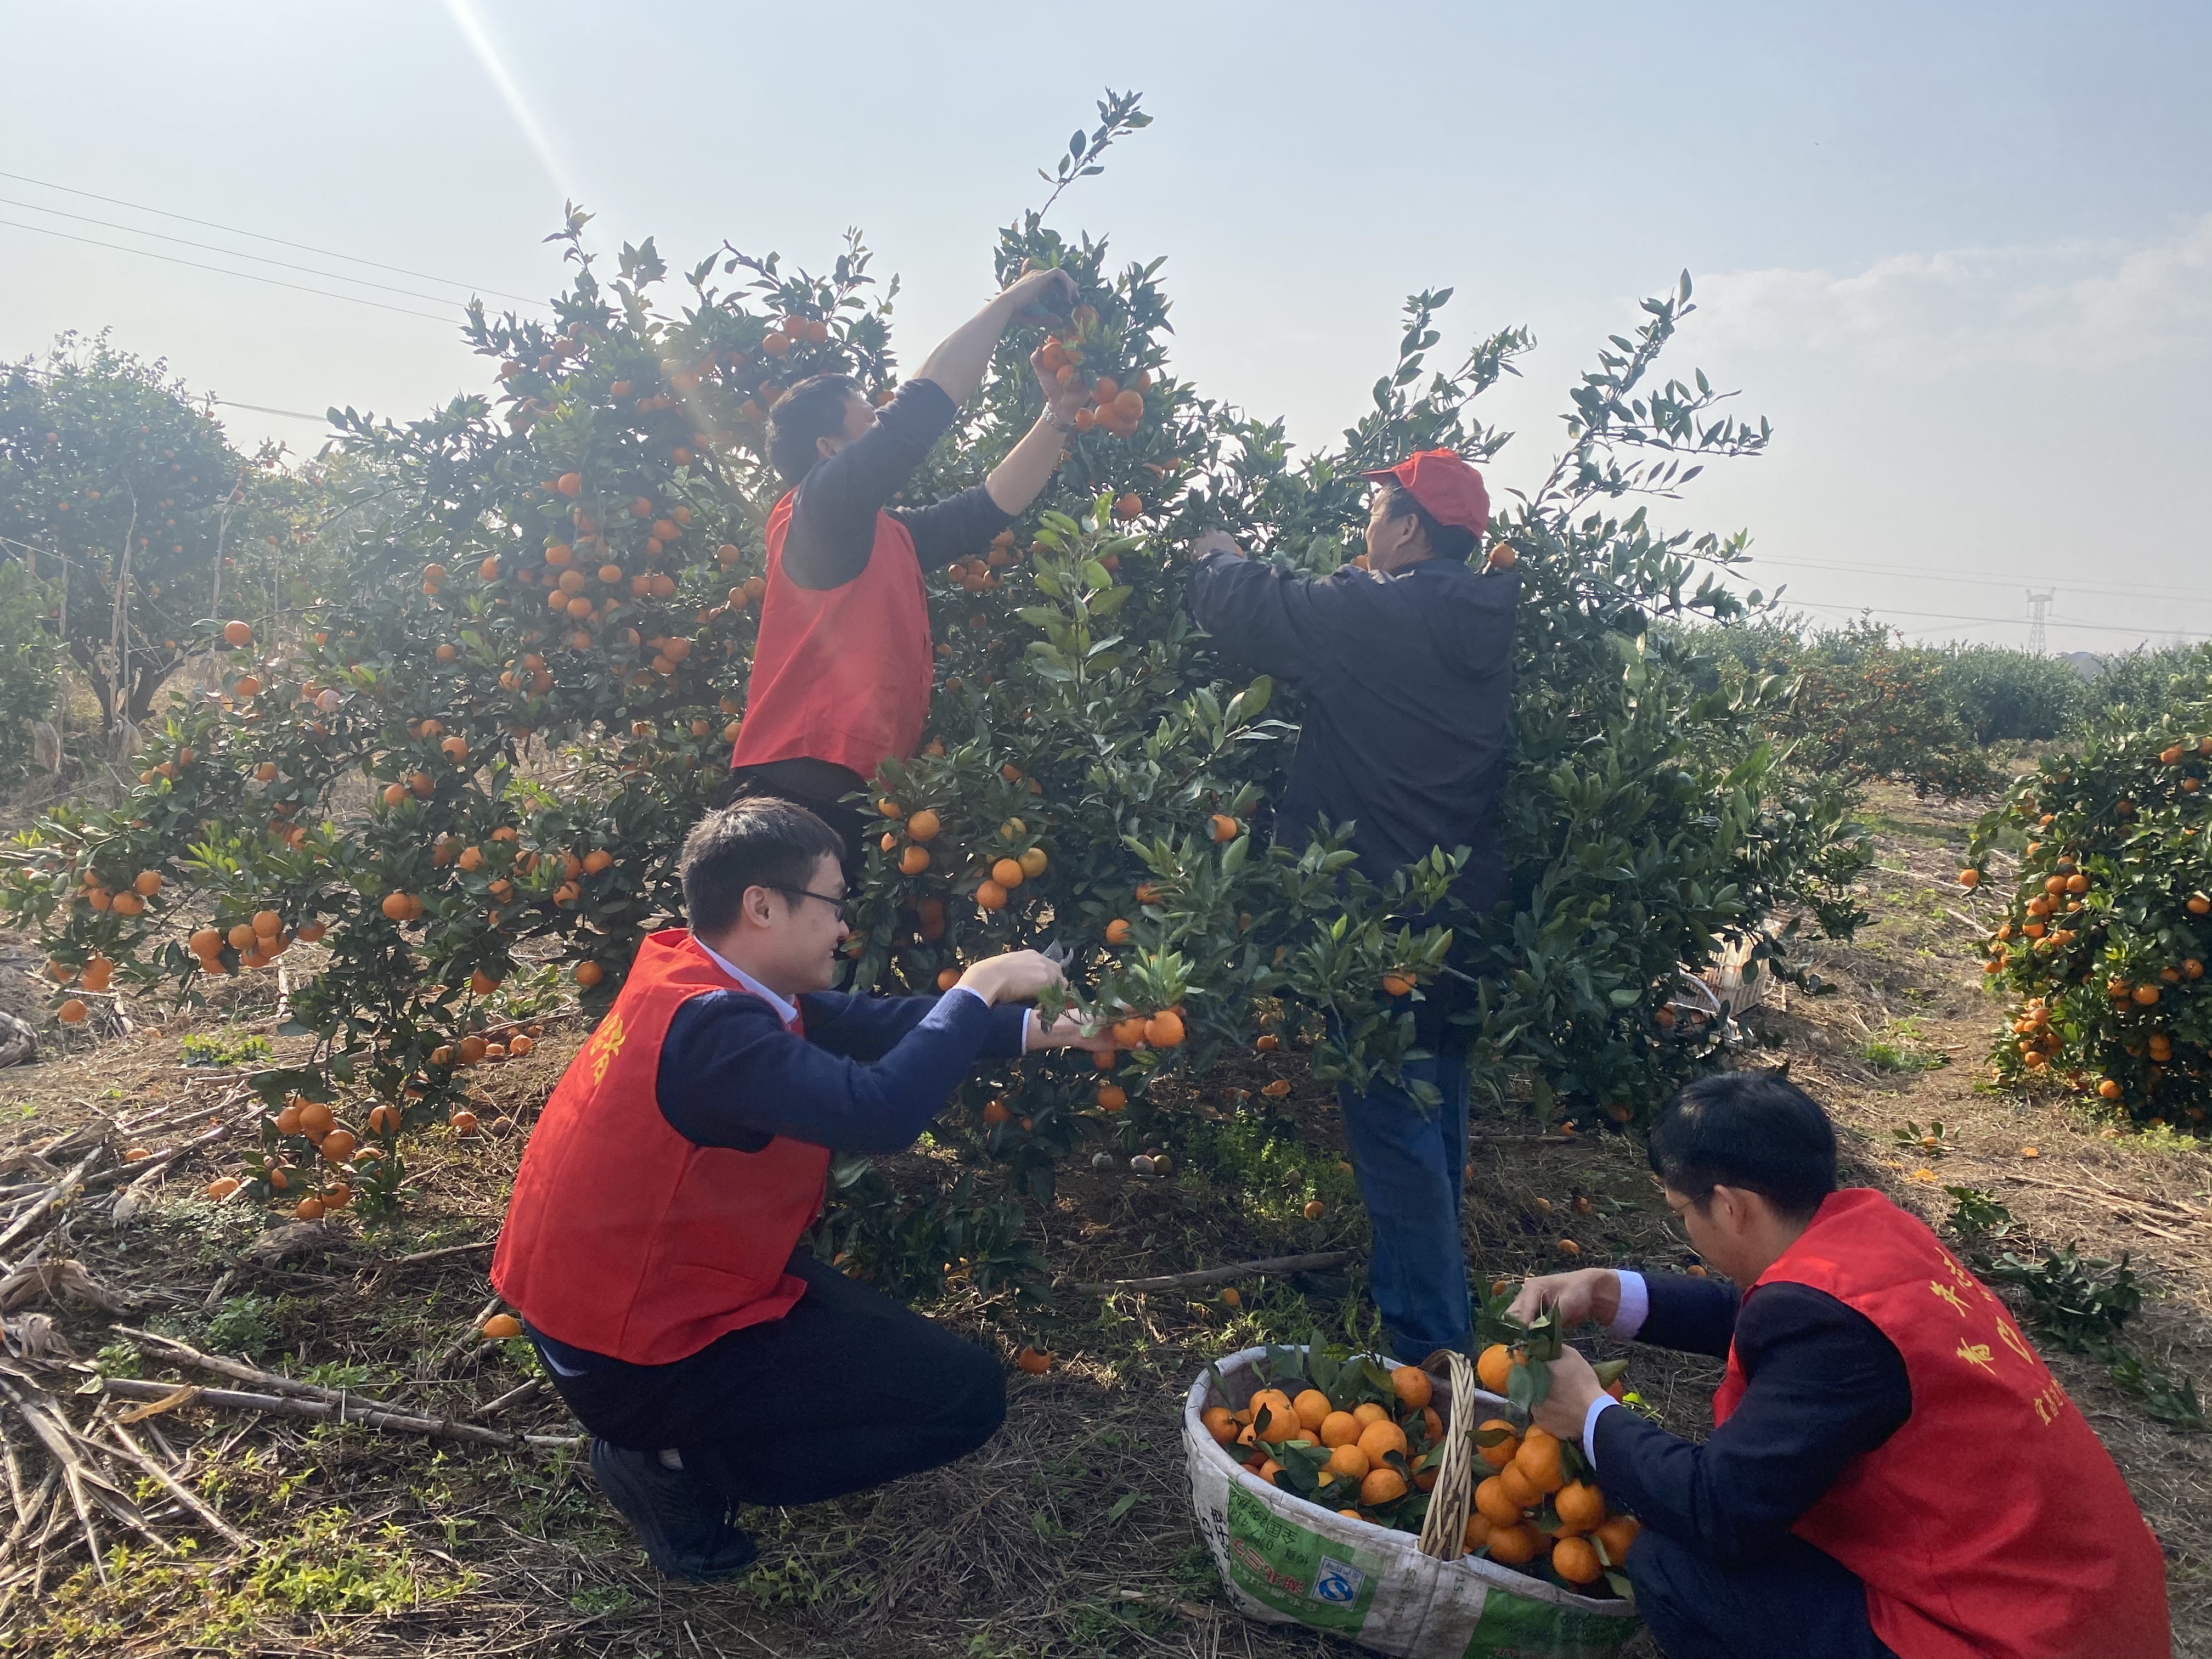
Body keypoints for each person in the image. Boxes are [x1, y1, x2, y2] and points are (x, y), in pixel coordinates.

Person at [490, 797, 1111, 1579]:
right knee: (963, 1400)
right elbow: (880, 1112)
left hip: (647, 1294)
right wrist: (983, 982)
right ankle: (667, 1462)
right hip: (631, 1356)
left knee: (936, 1373)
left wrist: (1048, 1029)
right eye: (835, 901)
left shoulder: (696, 976)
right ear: (761, 905)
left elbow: (878, 1025)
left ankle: (683, 1444)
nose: (844, 924)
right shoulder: (717, 1033)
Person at [1510, 1070, 2170, 1659]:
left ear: (1732, 1206)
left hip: (2009, 1636)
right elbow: (1765, 1319)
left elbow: (1720, 1514)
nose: (1687, 1229)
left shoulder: (1826, 1328)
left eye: (1683, 1213)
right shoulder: (1875, 1240)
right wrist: (1605, 1291)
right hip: (2079, 1597)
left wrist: (1590, 1416)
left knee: (1675, 1566)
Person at [1184, 449, 1519, 1362]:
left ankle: (1432, 1351)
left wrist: (1212, 555)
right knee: (1433, 1099)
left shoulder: (1379, 613)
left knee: (1393, 1122)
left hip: (1378, 917)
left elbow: (1261, 607)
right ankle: (1443, 1307)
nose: (1366, 523)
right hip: (1460, 906)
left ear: (1408, 526)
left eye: (1376, 507)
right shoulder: (1478, 614)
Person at [726, 265, 1085, 868]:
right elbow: (921, 410)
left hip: (861, 793)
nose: (882, 425)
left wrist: (1059, 415)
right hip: (793, 789)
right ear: (831, 452)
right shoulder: (817, 511)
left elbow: (989, 507)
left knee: (823, 960)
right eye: (868, 421)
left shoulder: (888, 534)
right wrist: (1009, 303)